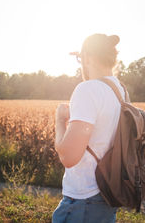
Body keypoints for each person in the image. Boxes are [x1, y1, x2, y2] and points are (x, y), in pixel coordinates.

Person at [52, 33, 126, 223]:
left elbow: (68, 157)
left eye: (80, 59)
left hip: (83, 200)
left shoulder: (88, 89)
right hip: (107, 193)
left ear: (88, 58)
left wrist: (60, 121)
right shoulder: (121, 90)